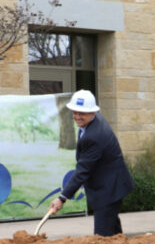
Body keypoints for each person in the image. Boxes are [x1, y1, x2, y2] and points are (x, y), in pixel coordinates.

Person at [48, 90, 135, 236]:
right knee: (113, 234)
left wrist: (62, 198)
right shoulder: (93, 122)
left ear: (92, 113)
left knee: (102, 237)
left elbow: (82, 171)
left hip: (109, 190)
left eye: (82, 113)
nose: (77, 116)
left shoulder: (94, 136)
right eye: (75, 112)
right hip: (109, 185)